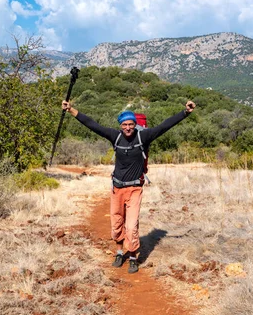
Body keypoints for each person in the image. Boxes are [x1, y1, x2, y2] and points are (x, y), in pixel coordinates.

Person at [62, 99, 196, 273]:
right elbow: (92, 125)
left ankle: (133, 256)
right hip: (117, 188)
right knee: (117, 223)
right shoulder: (115, 136)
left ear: (135, 125)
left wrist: (185, 112)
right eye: (124, 124)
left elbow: (165, 126)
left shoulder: (143, 137)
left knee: (131, 226)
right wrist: (71, 110)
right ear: (120, 125)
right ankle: (119, 252)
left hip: (134, 189)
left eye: (131, 124)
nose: (127, 128)